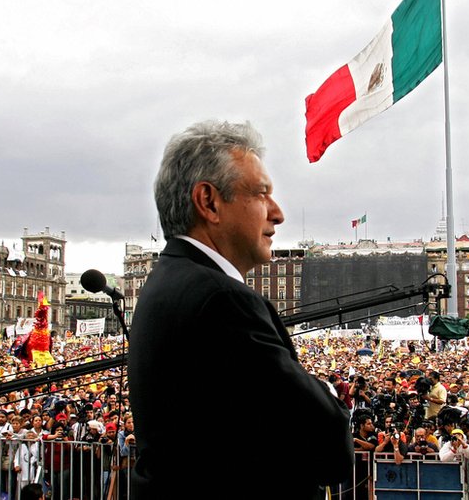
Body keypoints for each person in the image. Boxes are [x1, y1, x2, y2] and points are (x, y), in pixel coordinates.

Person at [128, 121, 353, 498]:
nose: (277, 213)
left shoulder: (166, 281)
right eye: (262, 193)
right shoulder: (223, 300)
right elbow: (329, 448)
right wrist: (327, 393)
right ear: (209, 202)